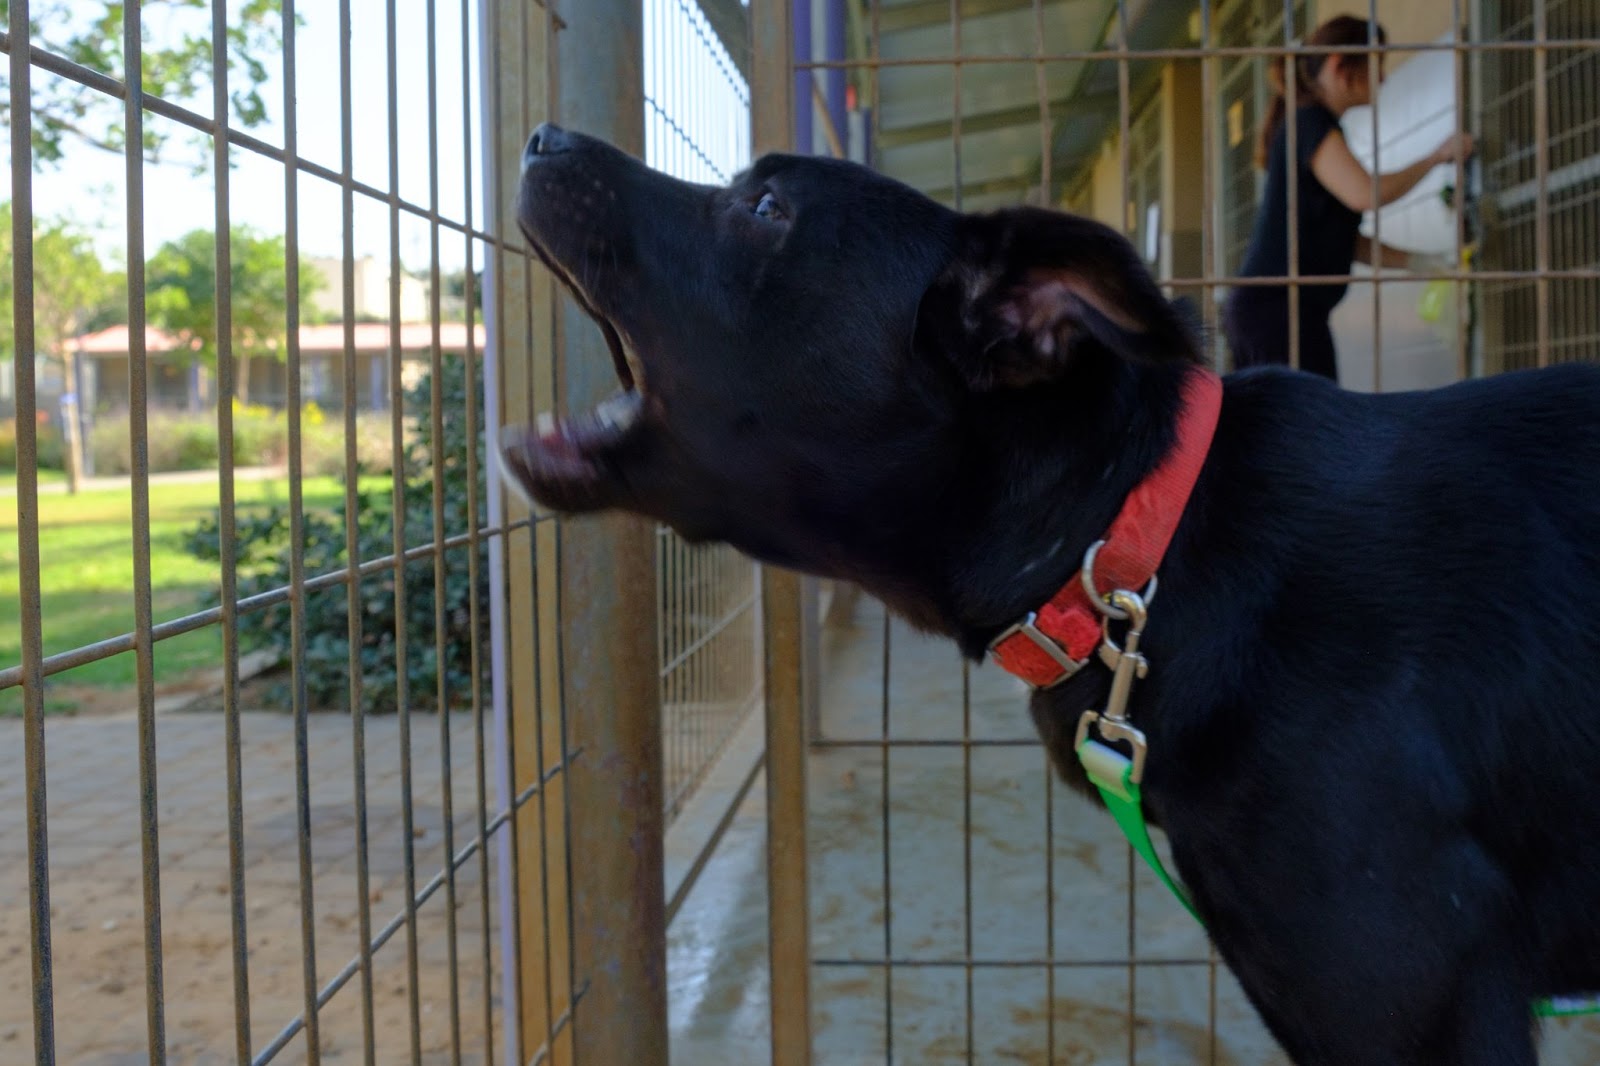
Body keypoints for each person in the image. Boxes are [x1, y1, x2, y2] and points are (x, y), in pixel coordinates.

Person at [1222, 15, 1474, 382]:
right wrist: (1437, 156)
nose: (1384, 78)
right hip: (1278, 311)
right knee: (1307, 432)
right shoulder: (1308, 122)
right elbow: (1365, 194)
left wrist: (1425, 262)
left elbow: (1346, 240)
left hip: (1281, 312)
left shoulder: (1310, 124)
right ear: (1341, 65)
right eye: (1377, 64)